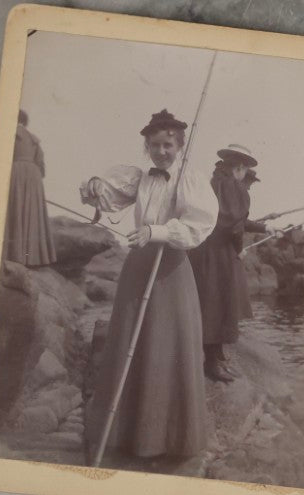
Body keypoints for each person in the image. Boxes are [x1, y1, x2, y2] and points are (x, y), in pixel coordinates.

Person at [80, 109, 215, 463]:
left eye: (168, 145)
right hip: (139, 266)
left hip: (169, 267)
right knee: (130, 343)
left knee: (165, 346)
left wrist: (157, 232)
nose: (161, 152)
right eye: (154, 145)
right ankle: (127, 436)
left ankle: (164, 440)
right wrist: (96, 186)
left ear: (180, 145)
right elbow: (108, 196)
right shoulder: (141, 178)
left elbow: (198, 226)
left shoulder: (190, 179)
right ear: (147, 147)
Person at [188, 143, 270, 382]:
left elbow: (230, 219)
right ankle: (211, 364)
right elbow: (234, 225)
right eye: (245, 171)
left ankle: (215, 354)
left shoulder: (213, 183)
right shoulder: (233, 187)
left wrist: (264, 226)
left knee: (209, 303)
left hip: (202, 251)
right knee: (220, 305)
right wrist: (239, 249)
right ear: (241, 168)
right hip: (219, 254)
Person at [5, 110, 55, 267]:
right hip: (34, 176)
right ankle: (32, 259)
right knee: (31, 214)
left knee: (14, 211)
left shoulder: (9, 134)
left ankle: (13, 255)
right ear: (25, 122)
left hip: (15, 172)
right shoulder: (34, 140)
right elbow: (42, 167)